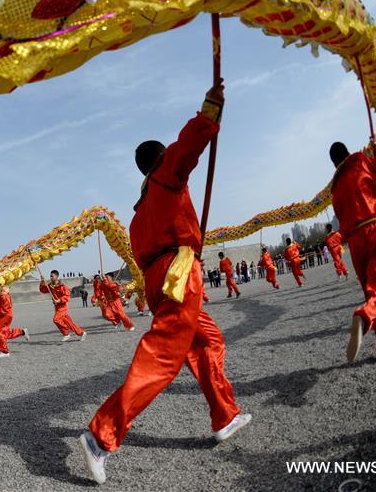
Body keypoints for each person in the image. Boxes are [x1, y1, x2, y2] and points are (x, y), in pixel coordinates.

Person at [78, 81, 249, 485]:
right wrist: (210, 112)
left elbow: (142, 257)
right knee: (163, 357)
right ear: (159, 159)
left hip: (160, 279)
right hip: (178, 273)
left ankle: (225, 415)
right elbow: (187, 147)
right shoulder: (166, 177)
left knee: (207, 340)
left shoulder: (140, 214)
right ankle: (101, 436)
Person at [329, 141, 376, 363]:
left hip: (354, 240)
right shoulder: (361, 163)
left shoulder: (336, 187)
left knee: (371, 292)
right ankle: (363, 316)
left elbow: (339, 215)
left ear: (334, 163)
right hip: (374, 228)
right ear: (347, 152)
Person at [0, 274, 28, 357]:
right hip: (2, 315)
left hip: (6, 315)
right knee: (4, 333)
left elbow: (6, 308)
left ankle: (5, 352)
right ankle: (22, 332)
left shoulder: (4, 294)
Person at [39, 270, 86, 341]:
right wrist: (42, 281)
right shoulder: (50, 286)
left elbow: (67, 296)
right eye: (50, 276)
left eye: (52, 276)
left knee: (56, 320)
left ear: (57, 276)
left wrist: (59, 300)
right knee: (69, 323)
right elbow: (43, 290)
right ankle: (82, 333)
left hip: (63, 307)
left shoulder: (62, 286)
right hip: (57, 307)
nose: (51, 277)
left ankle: (66, 333)